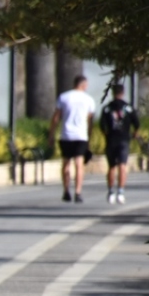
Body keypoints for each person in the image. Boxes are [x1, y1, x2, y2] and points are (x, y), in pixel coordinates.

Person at [49, 75, 96, 203]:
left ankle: (66, 191)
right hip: (81, 136)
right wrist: (89, 137)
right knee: (79, 164)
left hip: (66, 135)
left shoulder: (64, 97)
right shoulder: (89, 99)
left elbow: (56, 118)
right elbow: (90, 121)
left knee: (66, 163)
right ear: (83, 85)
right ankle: (78, 192)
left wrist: (51, 134)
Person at [99, 83, 140, 204]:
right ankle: (121, 192)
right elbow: (136, 123)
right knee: (122, 166)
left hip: (111, 141)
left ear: (112, 93)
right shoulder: (128, 107)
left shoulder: (107, 108)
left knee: (112, 167)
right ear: (123, 93)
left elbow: (102, 125)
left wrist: (107, 134)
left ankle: (111, 191)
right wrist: (135, 134)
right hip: (124, 140)